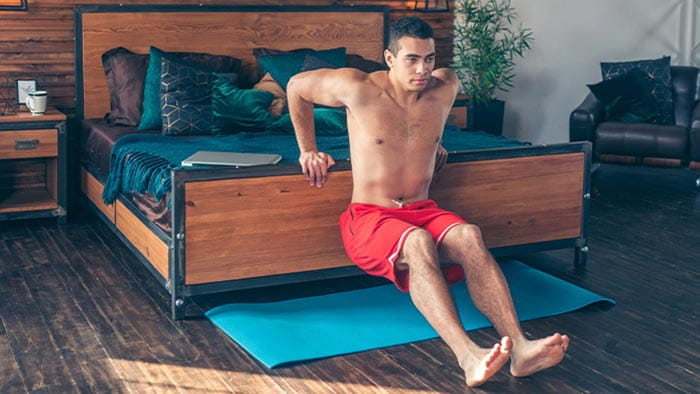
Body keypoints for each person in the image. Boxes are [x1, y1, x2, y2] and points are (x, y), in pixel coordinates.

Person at [287, 16, 569, 387]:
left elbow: (417, 131)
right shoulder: (355, 87)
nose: (423, 70)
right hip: (371, 216)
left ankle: (520, 349)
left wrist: (432, 144)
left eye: (430, 59)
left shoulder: (446, 86)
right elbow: (295, 86)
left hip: (422, 209)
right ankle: (468, 355)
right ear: (389, 57)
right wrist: (309, 150)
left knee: (469, 235)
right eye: (412, 59)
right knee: (417, 242)